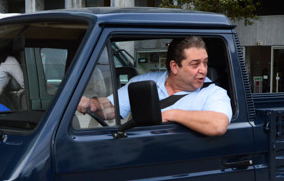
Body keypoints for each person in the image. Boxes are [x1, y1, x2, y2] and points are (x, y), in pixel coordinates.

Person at [78, 36, 231, 137]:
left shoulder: (214, 93)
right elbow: (112, 108)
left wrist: (170, 114)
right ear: (175, 66)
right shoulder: (143, 82)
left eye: (205, 63)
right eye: (195, 64)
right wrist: (93, 103)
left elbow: (218, 125)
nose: (203, 69)